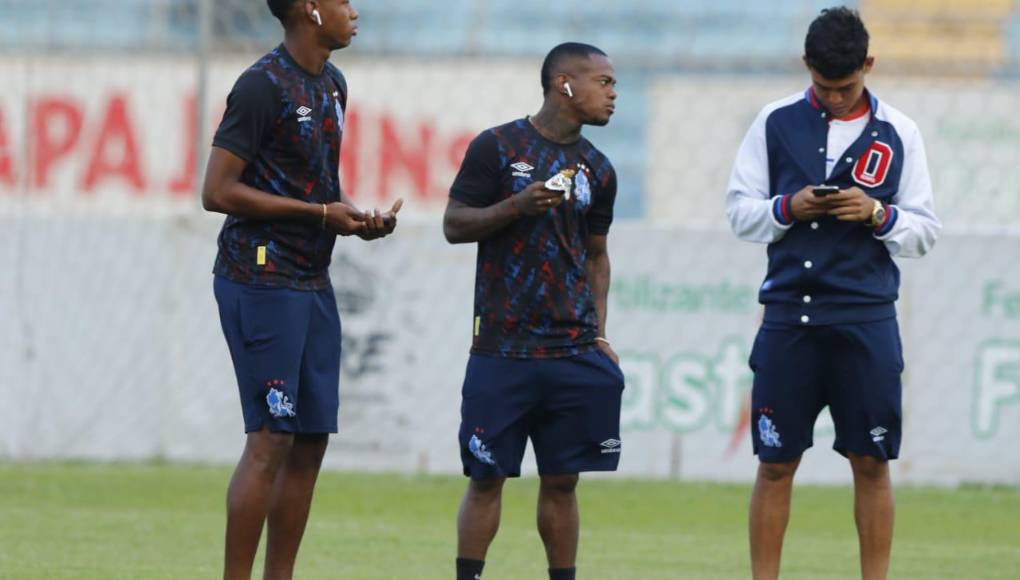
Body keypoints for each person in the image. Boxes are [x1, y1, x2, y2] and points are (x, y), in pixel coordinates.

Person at [725, 7, 940, 580]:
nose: (837, 98)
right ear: (806, 67)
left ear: (868, 65)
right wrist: (786, 207)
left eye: (846, 86)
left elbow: (924, 231)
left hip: (866, 318)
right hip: (788, 318)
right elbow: (740, 212)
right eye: (825, 86)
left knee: (871, 462)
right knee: (775, 462)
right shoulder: (773, 122)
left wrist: (878, 214)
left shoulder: (900, 131)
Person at [201, 1, 401, 578]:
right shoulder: (262, 86)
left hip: (312, 278)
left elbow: (314, 188)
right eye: (341, 1)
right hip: (259, 274)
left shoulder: (335, 83)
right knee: (270, 439)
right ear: (311, 10)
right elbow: (216, 191)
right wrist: (318, 214)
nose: (354, 10)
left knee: (310, 440)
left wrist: (355, 222)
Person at [443, 42, 624, 580]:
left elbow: (596, 255)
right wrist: (516, 206)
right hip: (503, 346)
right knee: (487, 475)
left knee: (564, 479)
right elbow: (454, 224)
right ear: (564, 83)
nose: (614, 94)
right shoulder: (497, 148)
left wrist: (598, 333)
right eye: (604, 82)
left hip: (572, 349)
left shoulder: (600, 168)